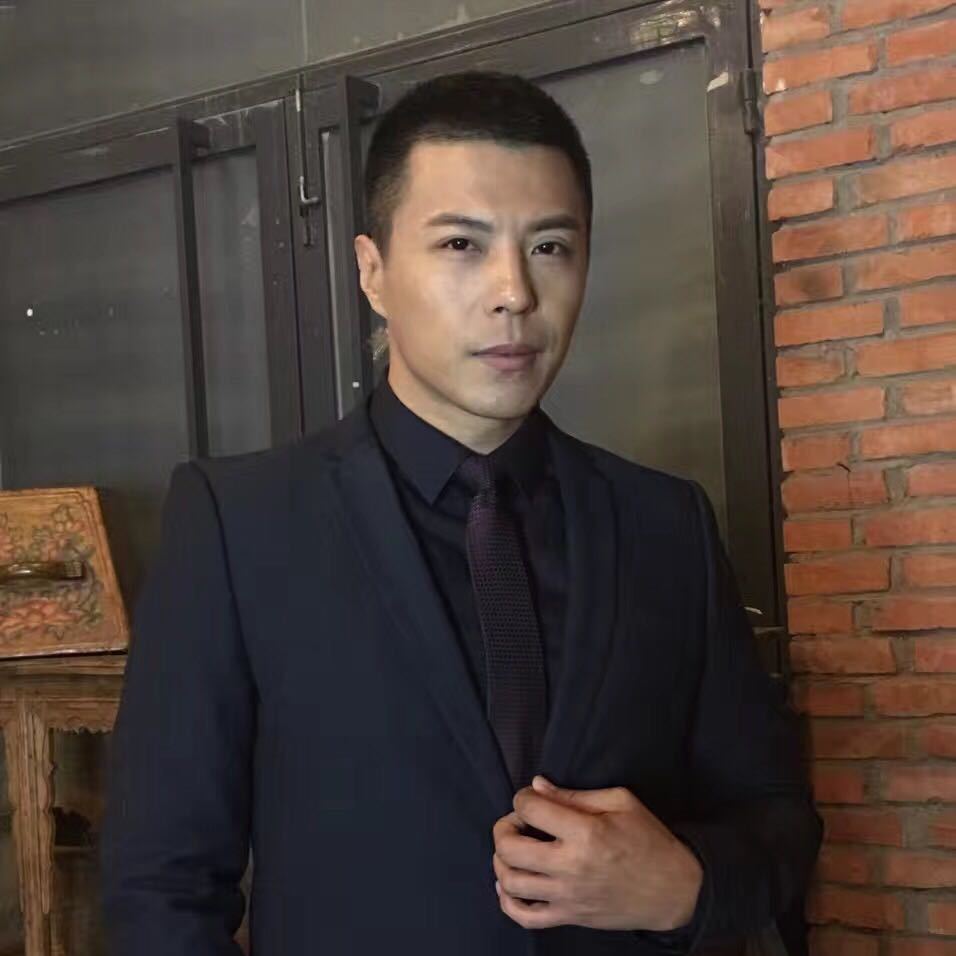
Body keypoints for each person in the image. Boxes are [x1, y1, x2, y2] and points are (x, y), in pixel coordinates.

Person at [100, 71, 822, 956]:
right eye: (460, 245)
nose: (514, 291)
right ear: (372, 271)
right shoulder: (239, 526)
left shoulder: (666, 525)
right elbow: (163, 885)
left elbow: (778, 817)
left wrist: (685, 885)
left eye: (550, 246)